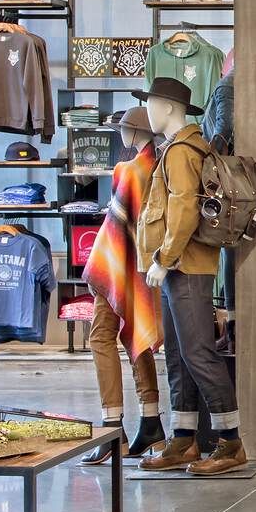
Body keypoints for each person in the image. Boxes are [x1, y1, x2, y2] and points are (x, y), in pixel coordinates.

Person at [133, 76, 246, 476]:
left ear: (167, 108)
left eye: (150, 103)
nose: (147, 110)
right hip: (175, 268)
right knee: (180, 355)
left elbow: (184, 209)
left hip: (184, 266)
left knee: (198, 352)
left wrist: (164, 257)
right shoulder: (180, 147)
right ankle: (184, 440)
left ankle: (230, 442)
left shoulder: (182, 152)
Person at [83, 105, 164, 463]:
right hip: (145, 266)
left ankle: (111, 426)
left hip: (119, 267)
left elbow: (115, 228)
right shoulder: (157, 166)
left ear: (132, 133)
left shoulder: (129, 171)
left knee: (101, 337)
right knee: (137, 335)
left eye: (122, 129)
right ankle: (151, 422)